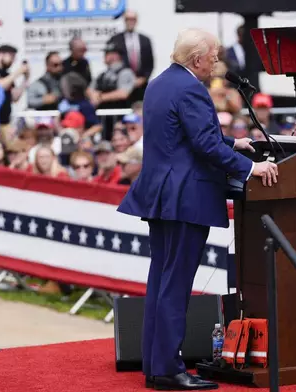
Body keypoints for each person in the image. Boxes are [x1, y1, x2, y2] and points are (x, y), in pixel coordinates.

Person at [117, 28, 278, 391]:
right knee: (175, 286)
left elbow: (186, 134)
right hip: (184, 198)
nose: (216, 62)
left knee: (161, 280)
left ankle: (156, 363)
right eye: (214, 56)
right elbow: (203, 145)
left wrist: (231, 141)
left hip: (161, 194)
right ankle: (168, 370)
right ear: (197, 59)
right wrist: (252, 167)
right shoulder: (191, 88)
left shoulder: (160, 83)